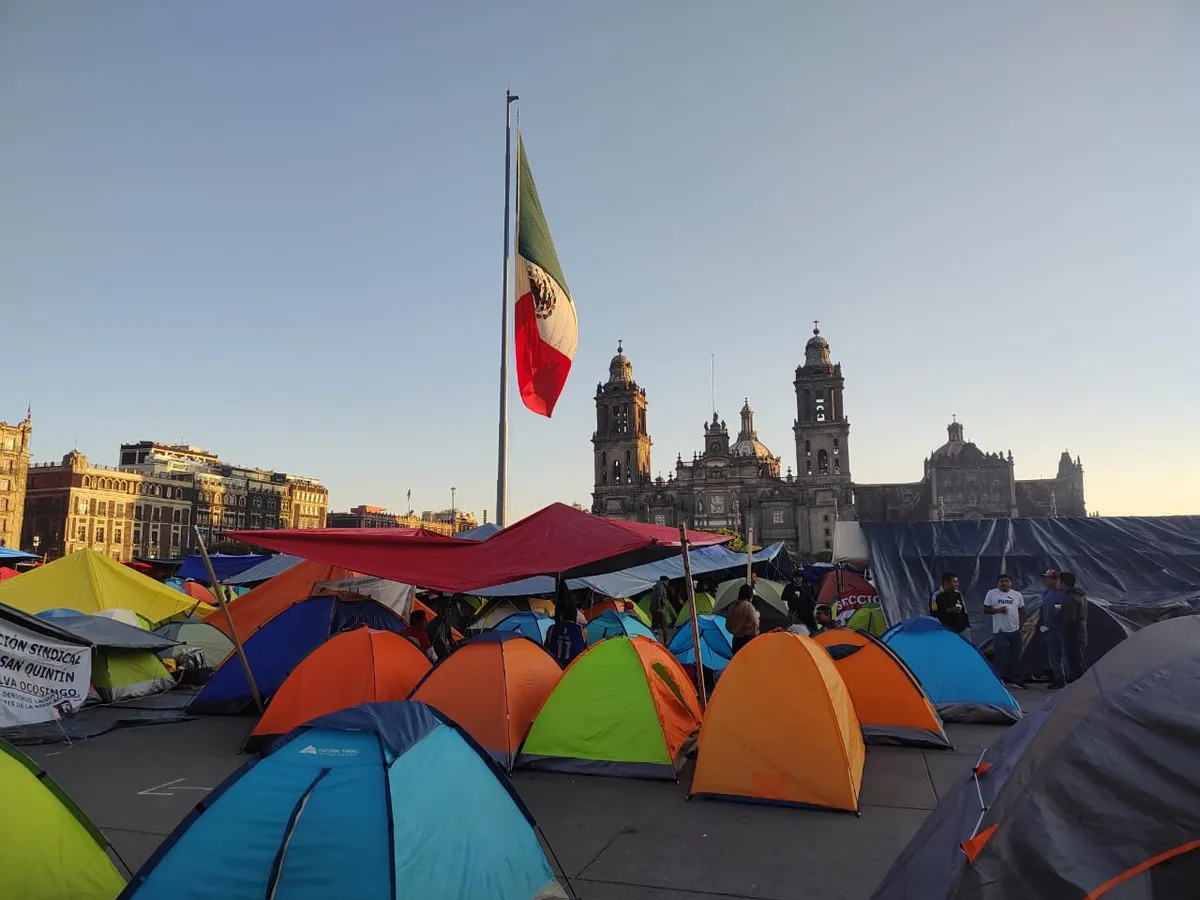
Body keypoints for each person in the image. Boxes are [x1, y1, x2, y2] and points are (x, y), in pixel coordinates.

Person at [983, 573, 1026, 688]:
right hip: (1000, 630)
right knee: (1000, 655)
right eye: (1002, 581)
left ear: (1011, 583)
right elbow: (986, 609)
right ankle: (999, 680)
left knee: (1017, 655)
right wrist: (998, 610)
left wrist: (1020, 624)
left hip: (1014, 630)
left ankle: (1017, 679)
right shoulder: (992, 593)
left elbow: (1022, 610)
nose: (1004, 583)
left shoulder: (1017, 595)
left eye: (1007, 581)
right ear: (998, 583)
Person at [1058, 571, 1089, 683]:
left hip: (1073, 633)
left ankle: (1078, 684)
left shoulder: (1070, 598)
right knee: (1078, 659)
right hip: (1081, 630)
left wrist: (1060, 613)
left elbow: (1069, 618)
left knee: (1074, 661)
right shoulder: (1082, 596)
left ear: (1063, 582)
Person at [545, 585, 586, 669]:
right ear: (575, 617)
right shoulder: (582, 630)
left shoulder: (552, 629)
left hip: (555, 666)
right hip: (573, 668)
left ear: (561, 616)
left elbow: (545, 648)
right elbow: (584, 649)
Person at [1039, 570, 1067, 688]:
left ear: (1056, 579)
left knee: (1064, 655)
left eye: (1048, 578)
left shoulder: (1065, 593)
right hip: (1049, 628)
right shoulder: (1047, 592)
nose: (1045, 580)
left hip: (1062, 629)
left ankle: (1064, 678)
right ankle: (1058, 677)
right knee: (1053, 655)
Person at [723, 583, 760, 656]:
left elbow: (727, 625)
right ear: (750, 596)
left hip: (736, 640)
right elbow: (755, 622)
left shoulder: (732, 606)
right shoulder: (748, 606)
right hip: (747, 639)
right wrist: (754, 632)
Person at [649, 576, 673, 643]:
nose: (668, 583)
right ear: (664, 581)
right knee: (665, 626)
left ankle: (652, 639)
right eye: (667, 581)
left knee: (654, 625)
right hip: (659, 610)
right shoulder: (661, 588)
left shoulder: (656, 586)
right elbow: (658, 597)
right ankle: (666, 642)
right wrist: (660, 608)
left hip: (653, 609)